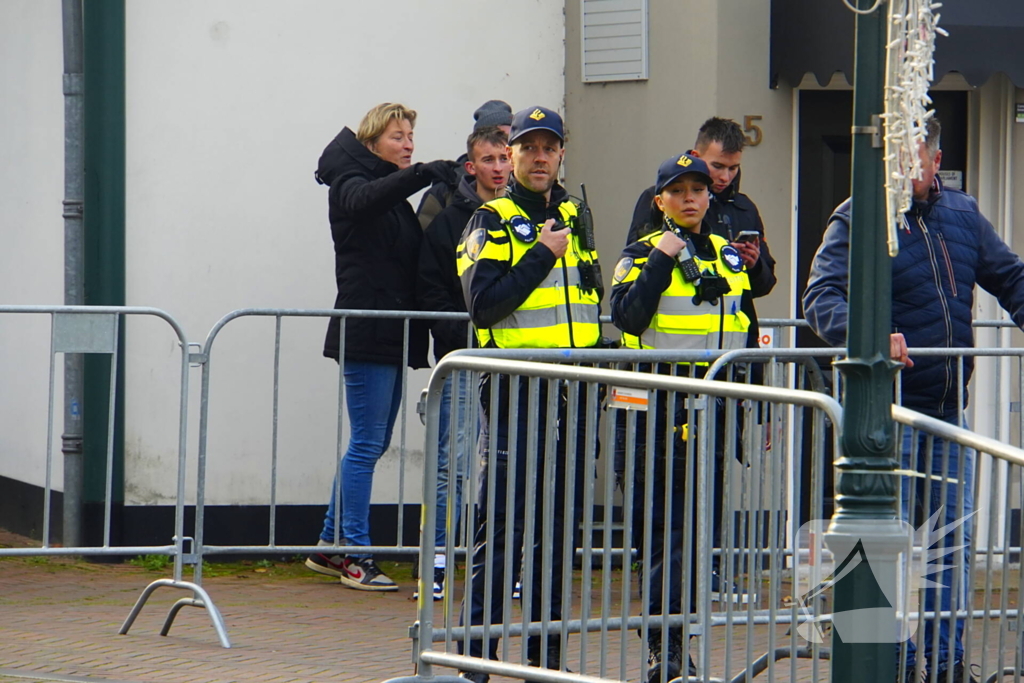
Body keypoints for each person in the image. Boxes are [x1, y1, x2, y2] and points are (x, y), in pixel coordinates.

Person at [803, 117, 1024, 683]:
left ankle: (947, 667)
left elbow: (1012, 279)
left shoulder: (963, 214)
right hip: (887, 415)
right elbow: (821, 297)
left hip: (947, 411)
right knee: (888, 550)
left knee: (953, 546)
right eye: (897, 158)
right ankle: (891, 669)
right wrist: (872, 336)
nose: (906, 169)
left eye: (915, 159)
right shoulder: (859, 213)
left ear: (936, 158)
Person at [455, 106, 603, 682]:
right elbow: (483, 305)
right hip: (519, 391)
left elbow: (587, 304)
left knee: (557, 533)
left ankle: (546, 662)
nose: (541, 158)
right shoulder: (489, 220)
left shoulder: (575, 212)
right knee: (505, 527)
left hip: (576, 395)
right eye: (529, 148)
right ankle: (476, 658)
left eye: (551, 147)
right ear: (508, 153)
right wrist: (542, 253)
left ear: (562, 152)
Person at [611, 153, 752, 682]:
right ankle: (662, 648)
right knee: (663, 535)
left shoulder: (726, 255)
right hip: (659, 411)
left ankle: (679, 644)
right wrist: (662, 260)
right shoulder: (641, 252)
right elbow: (627, 316)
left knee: (697, 537)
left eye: (698, 189)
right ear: (660, 201)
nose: (691, 197)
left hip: (711, 409)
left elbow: (740, 326)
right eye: (679, 190)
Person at [306, 102, 458, 591]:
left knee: (368, 442)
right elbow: (362, 201)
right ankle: (356, 554)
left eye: (411, 136)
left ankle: (330, 544)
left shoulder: (389, 193)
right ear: (372, 143)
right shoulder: (350, 184)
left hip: (388, 333)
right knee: (368, 443)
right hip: (367, 331)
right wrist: (422, 174)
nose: (408, 145)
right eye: (398, 136)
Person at [415, 126, 511, 600]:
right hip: (462, 360)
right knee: (450, 464)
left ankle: (505, 564)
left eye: (503, 158)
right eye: (488, 159)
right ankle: (435, 562)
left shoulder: (527, 219)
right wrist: (458, 338)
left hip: (514, 362)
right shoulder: (449, 223)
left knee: (506, 465)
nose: (498, 167)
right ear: (471, 167)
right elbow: (430, 289)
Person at [628, 117, 776, 350]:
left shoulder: (744, 208)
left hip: (734, 352)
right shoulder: (660, 199)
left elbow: (765, 285)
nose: (725, 177)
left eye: (733, 168)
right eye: (717, 166)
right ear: (696, 156)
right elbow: (639, 271)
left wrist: (752, 264)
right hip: (673, 354)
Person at [416, 100, 513, 229]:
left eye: (512, 137)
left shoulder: (527, 194)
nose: (508, 145)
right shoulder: (445, 193)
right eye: (498, 136)